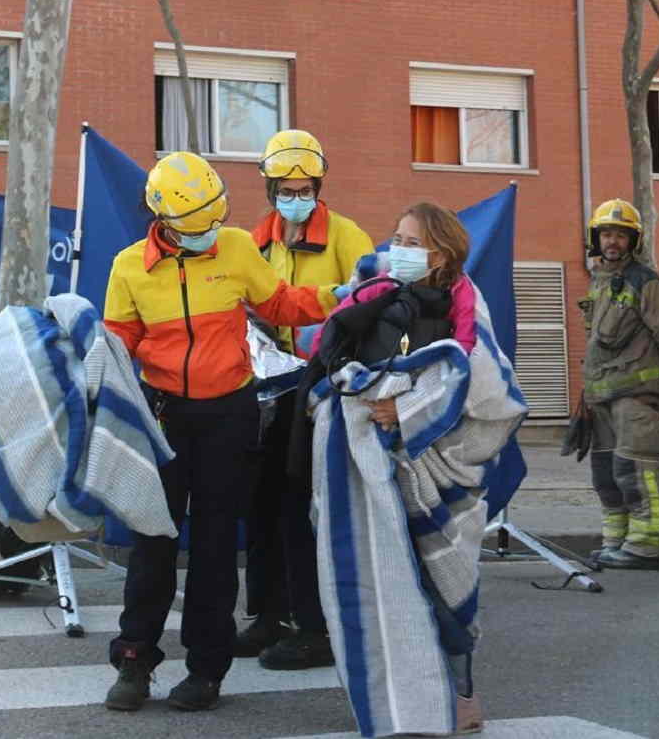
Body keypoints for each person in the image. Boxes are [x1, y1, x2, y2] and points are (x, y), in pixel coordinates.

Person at [102, 151, 342, 713]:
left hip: (230, 415)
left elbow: (279, 303)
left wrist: (343, 294)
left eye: (215, 220)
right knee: (153, 543)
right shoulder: (128, 267)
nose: (209, 233)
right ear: (162, 219)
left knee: (213, 548)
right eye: (197, 226)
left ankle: (206, 672)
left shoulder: (235, 248)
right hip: (163, 417)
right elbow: (117, 343)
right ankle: (134, 661)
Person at [308, 203, 524, 736]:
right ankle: (400, 698)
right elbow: (333, 357)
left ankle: (462, 695)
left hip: (441, 469)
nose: (396, 250)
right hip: (375, 466)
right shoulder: (372, 293)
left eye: (410, 242)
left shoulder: (467, 304)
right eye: (396, 237)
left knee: (446, 588)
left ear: (441, 254)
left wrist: (407, 409)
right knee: (385, 586)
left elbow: (492, 389)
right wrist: (364, 397)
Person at [238, 129, 374, 670]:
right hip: (266, 392)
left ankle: (315, 626)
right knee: (263, 507)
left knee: (304, 512)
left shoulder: (346, 236)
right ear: (269, 188)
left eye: (304, 186)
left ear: (318, 184)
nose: (295, 195)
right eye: (285, 186)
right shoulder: (254, 243)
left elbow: (373, 303)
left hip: (320, 393)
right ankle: (268, 614)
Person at [578, 199, 659, 569]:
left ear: (632, 240)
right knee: (605, 474)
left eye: (620, 234)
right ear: (596, 238)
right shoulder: (599, 281)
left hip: (635, 396)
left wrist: (643, 373)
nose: (612, 241)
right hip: (601, 394)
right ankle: (615, 541)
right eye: (606, 234)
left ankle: (645, 546)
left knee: (633, 471)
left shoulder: (646, 282)